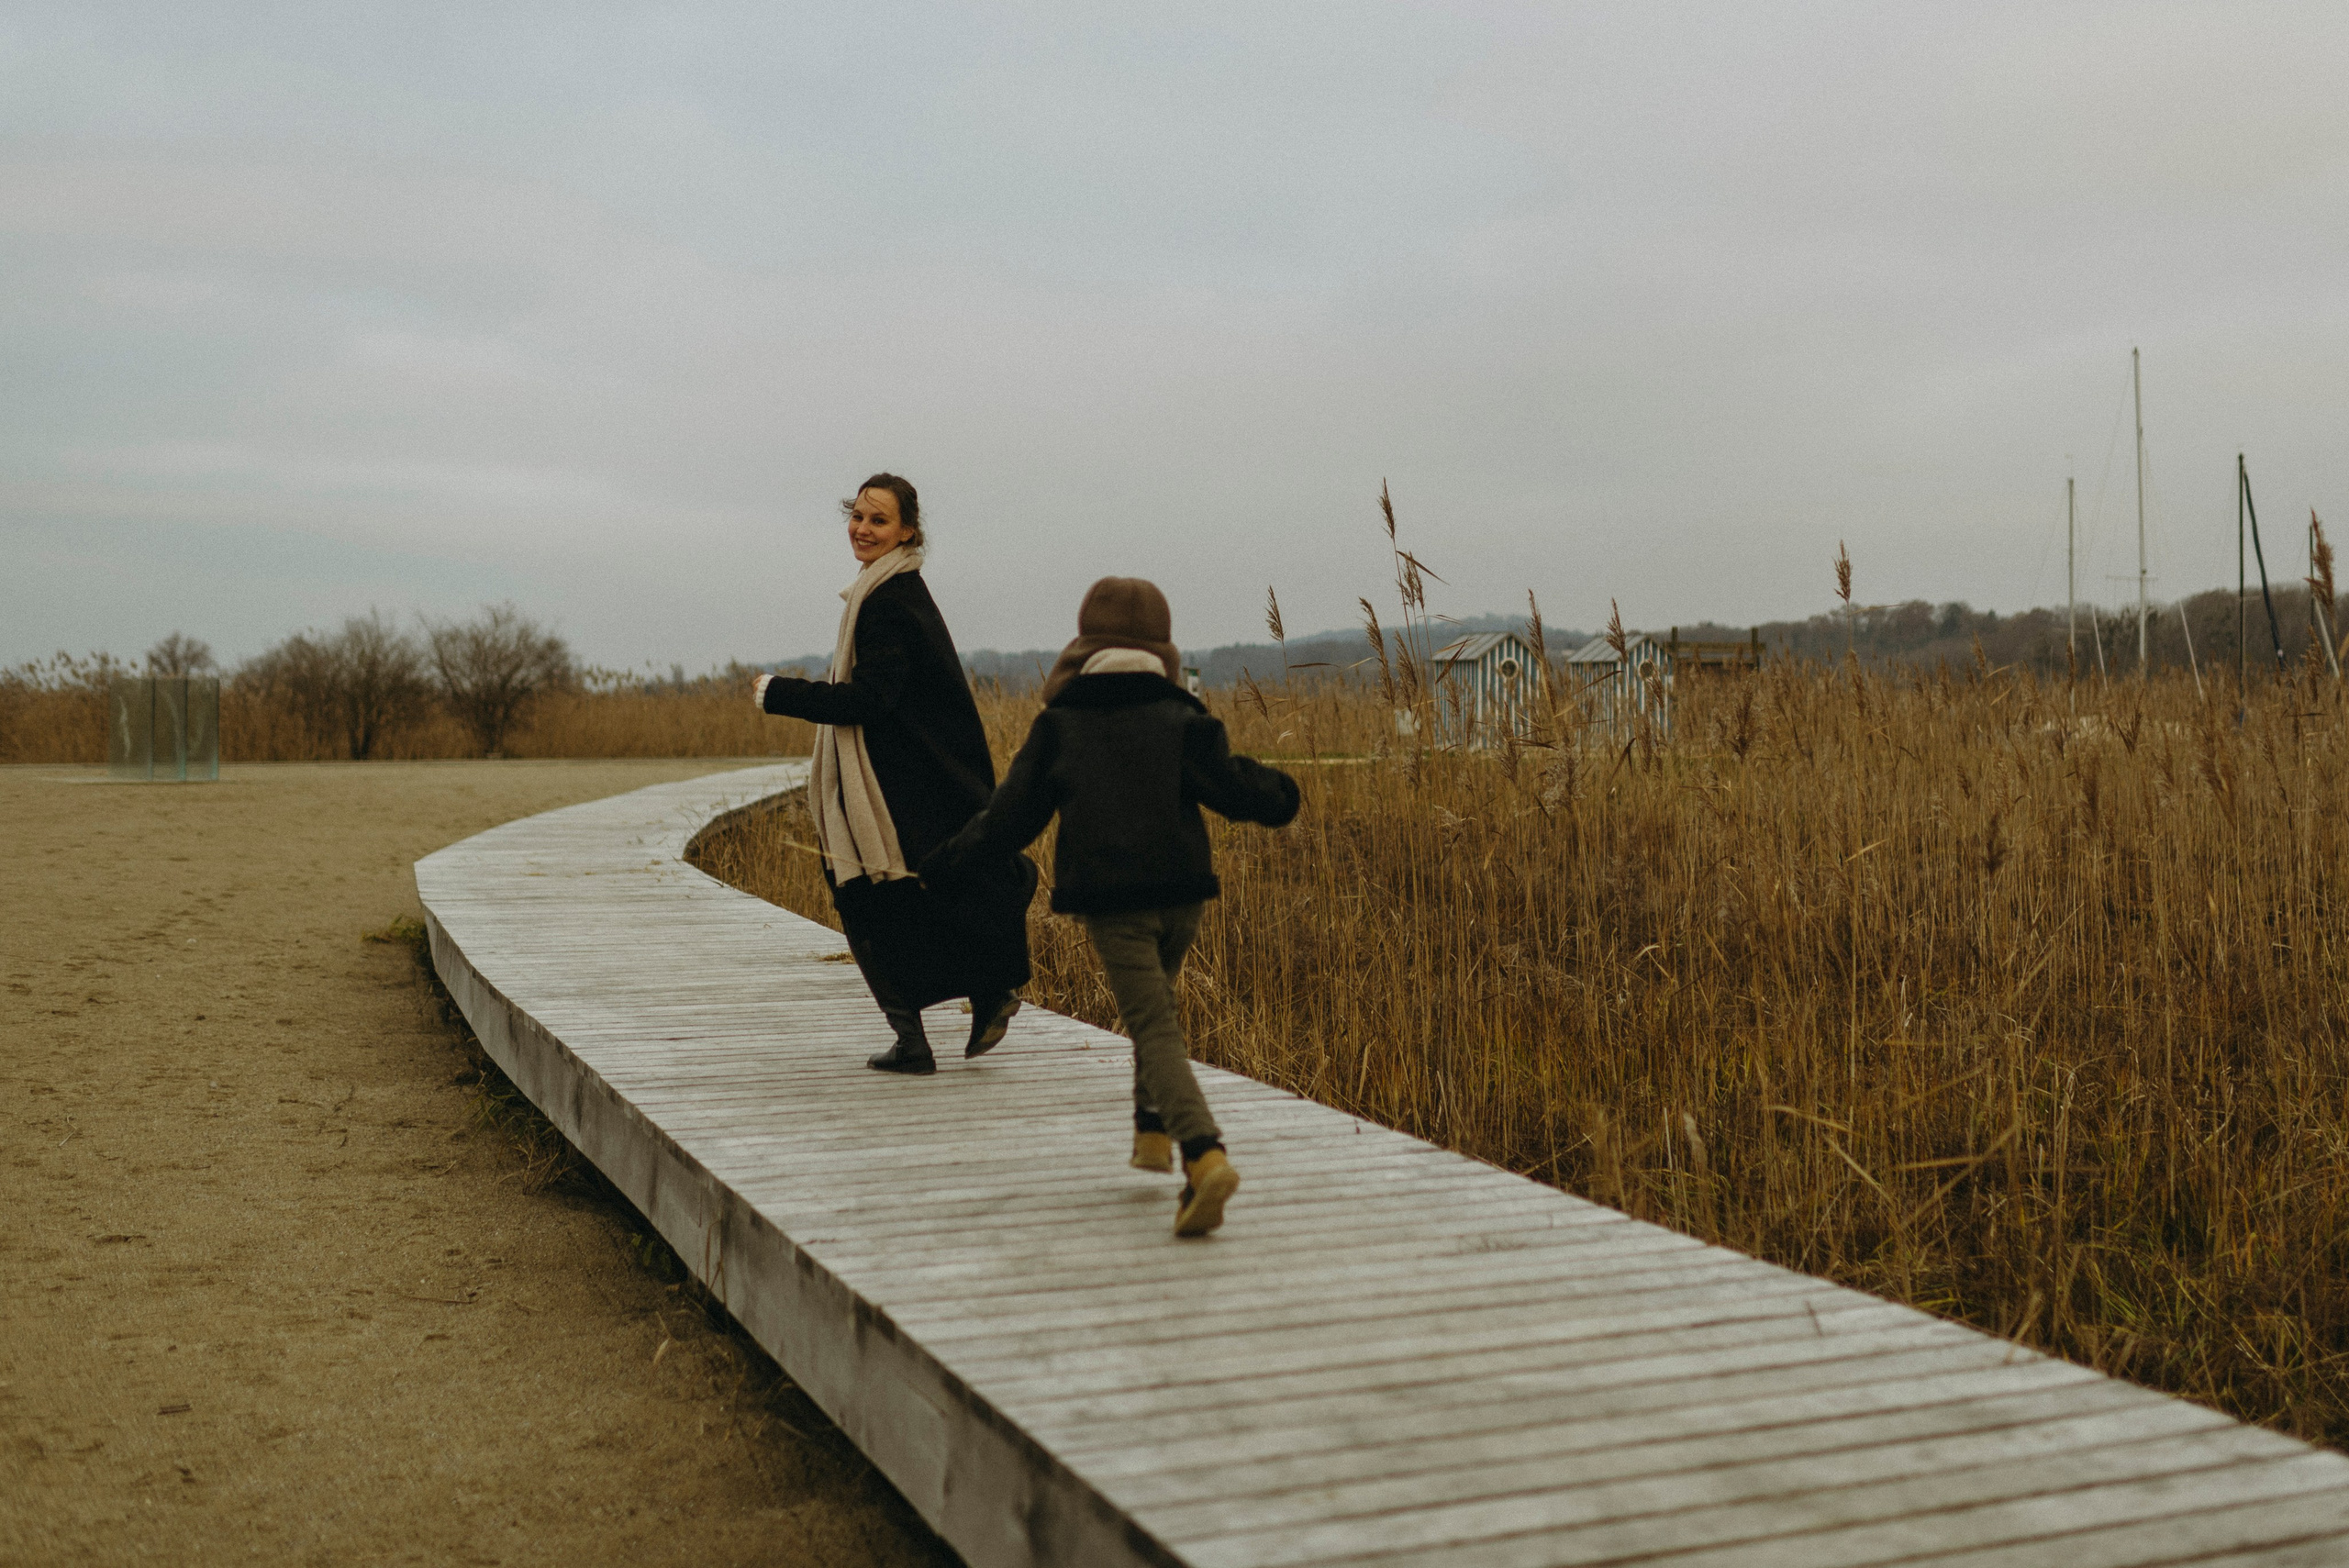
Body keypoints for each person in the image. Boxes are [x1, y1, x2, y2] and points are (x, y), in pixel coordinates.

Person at [923, 578, 1299, 1237]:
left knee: (1154, 1027)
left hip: (1114, 902)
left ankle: (1203, 1152)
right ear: (1162, 646)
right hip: (1183, 896)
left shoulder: (1062, 723)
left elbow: (1009, 819)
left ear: (1085, 643)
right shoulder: (1184, 718)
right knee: (1158, 1010)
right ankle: (1151, 1132)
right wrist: (1282, 793)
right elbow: (1237, 788)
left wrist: (944, 863)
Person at [753, 473, 1031, 1074]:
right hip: (926, 778)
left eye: (878, 519)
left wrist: (781, 693)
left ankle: (918, 1037)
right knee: (924, 895)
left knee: (863, 898)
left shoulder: (887, 602)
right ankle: (983, 994)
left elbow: (869, 700)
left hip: (902, 785)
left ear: (907, 530)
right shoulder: (893, 592)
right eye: (856, 516)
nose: (861, 528)